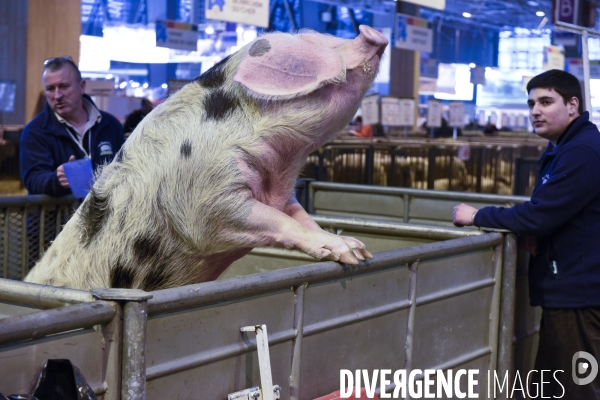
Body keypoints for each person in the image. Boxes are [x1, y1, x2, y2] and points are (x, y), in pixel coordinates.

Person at [453, 69, 600, 399]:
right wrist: (539, 231)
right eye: (532, 102)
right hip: (566, 288)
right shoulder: (564, 148)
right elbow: (550, 210)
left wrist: (477, 215)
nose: (535, 110)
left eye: (546, 101)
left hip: (579, 293)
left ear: (573, 105)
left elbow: (539, 213)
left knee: (577, 389)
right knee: (549, 388)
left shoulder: (582, 151)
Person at [20, 56, 125, 197]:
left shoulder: (110, 125)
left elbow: (126, 169)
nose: (57, 95)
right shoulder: (35, 131)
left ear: (82, 87)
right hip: (57, 218)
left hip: (104, 216)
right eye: (50, 89)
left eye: (64, 86)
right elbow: (33, 179)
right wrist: (56, 180)